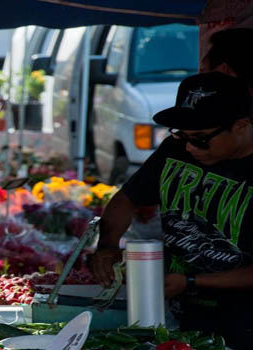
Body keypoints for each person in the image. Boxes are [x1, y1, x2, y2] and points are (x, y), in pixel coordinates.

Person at [90, 72, 253, 349]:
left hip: (242, 324)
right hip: (178, 315)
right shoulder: (175, 150)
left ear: (240, 126)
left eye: (201, 138)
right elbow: (127, 198)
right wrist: (106, 245)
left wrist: (190, 281)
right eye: (182, 135)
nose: (190, 146)